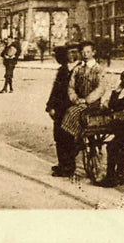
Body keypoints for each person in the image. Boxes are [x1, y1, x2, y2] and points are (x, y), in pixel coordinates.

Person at [61, 40, 107, 156]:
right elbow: (71, 86)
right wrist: (75, 98)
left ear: (93, 53)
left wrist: (87, 100)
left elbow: (100, 88)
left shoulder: (98, 69)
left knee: (71, 113)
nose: (85, 54)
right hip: (78, 102)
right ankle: (77, 139)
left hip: (92, 104)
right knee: (69, 112)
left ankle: (77, 140)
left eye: (88, 52)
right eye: (83, 52)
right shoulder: (78, 69)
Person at [45, 43, 81, 177]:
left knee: (69, 136)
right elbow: (56, 89)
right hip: (60, 108)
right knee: (58, 136)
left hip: (73, 107)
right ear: (66, 55)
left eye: (76, 52)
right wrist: (50, 106)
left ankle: (69, 167)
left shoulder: (81, 69)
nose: (73, 55)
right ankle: (62, 164)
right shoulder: (62, 70)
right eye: (70, 52)